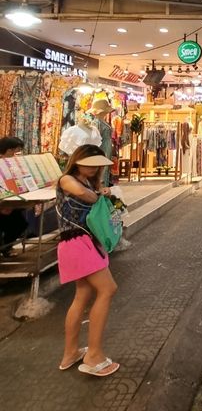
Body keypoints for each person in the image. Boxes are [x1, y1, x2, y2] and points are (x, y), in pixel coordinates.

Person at [55, 144, 119, 377]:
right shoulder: (67, 179)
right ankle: (93, 356)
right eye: (89, 164)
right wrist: (99, 194)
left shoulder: (90, 183)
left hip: (82, 243)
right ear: (77, 160)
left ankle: (71, 352)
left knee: (82, 295)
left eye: (96, 166)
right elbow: (83, 195)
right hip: (77, 243)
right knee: (108, 289)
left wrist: (101, 191)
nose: (93, 169)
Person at [0, 137, 27, 257]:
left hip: (11, 202)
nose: (17, 154)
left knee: (20, 223)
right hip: (3, 204)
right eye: (16, 151)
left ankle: (6, 247)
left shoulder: (13, 164)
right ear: (8, 150)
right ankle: (5, 248)